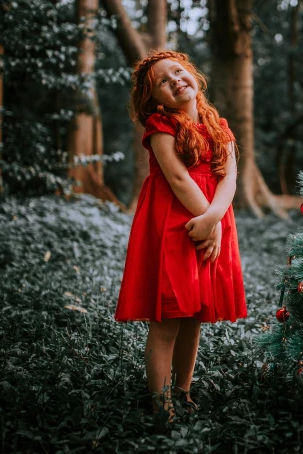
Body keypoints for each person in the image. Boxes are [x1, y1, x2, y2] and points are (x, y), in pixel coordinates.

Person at [115, 51, 248, 421]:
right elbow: (177, 179)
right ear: (154, 98)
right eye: (162, 80)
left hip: (211, 221)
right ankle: (161, 403)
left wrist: (215, 221)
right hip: (176, 224)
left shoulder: (219, 125)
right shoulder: (160, 128)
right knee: (169, 316)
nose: (174, 80)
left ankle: (183, 390)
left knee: (193, 316)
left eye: (178, 71)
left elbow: (230, 177)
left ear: (192, 75)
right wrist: (206, 221)